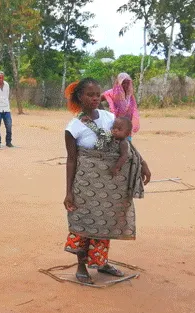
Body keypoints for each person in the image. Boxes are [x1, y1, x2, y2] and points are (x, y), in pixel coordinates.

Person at [63, 78, 151, 285]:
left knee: (106, 221)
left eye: (97, 95)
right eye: (89, 95)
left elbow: (125, 142)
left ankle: (101, 262)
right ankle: (81, 266)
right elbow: (71, 160)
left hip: (111, 182)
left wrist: (143, 163)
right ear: (79, 97)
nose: (94, 98)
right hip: (85, 182)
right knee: (84, 220)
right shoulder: (73, 127)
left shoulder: (109, 117)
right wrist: (68, 191)